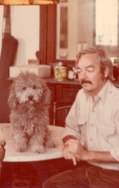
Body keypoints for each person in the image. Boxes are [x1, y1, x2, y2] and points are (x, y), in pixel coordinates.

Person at [43, 47, 119, 187]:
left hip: (114, 174)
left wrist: (86, 155)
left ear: (106, 71)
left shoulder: (116, 101)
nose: (83, 76)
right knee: (50, 185)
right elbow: (71, 128)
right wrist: (69, 143)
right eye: (79, 71)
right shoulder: (81, 96)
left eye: (89, 70)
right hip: (88, 169)